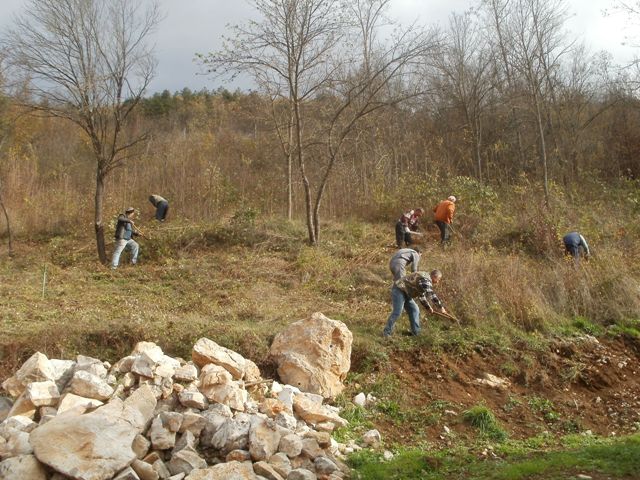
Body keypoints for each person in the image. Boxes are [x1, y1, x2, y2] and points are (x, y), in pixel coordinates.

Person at [383, 270, 447, 338]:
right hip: (399, 290)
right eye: (438, 279)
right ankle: (386, 332)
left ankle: (416, 333)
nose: (437, 282)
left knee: (415, 310)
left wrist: (428, 308)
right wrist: (441, 308)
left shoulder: (425, 281)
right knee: (398, 311)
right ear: (434, 276)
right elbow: (431, 295)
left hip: (406, 293)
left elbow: (421, 296)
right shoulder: (425, 280)